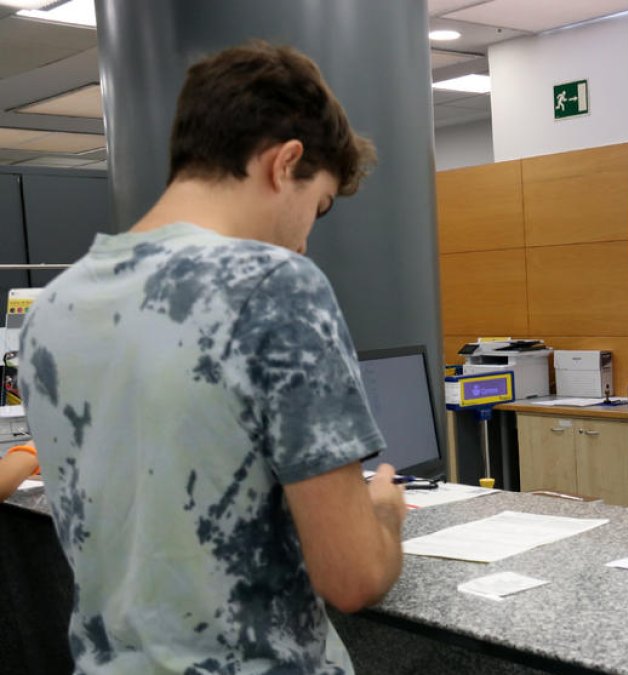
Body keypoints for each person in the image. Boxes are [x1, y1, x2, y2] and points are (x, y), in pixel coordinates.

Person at [18, 41, 407, 673]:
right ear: (285, 164)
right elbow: (353, 577)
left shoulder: (53, 308)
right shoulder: (275, 284)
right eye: (318, 207)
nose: (305, 239)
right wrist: (384, 516)